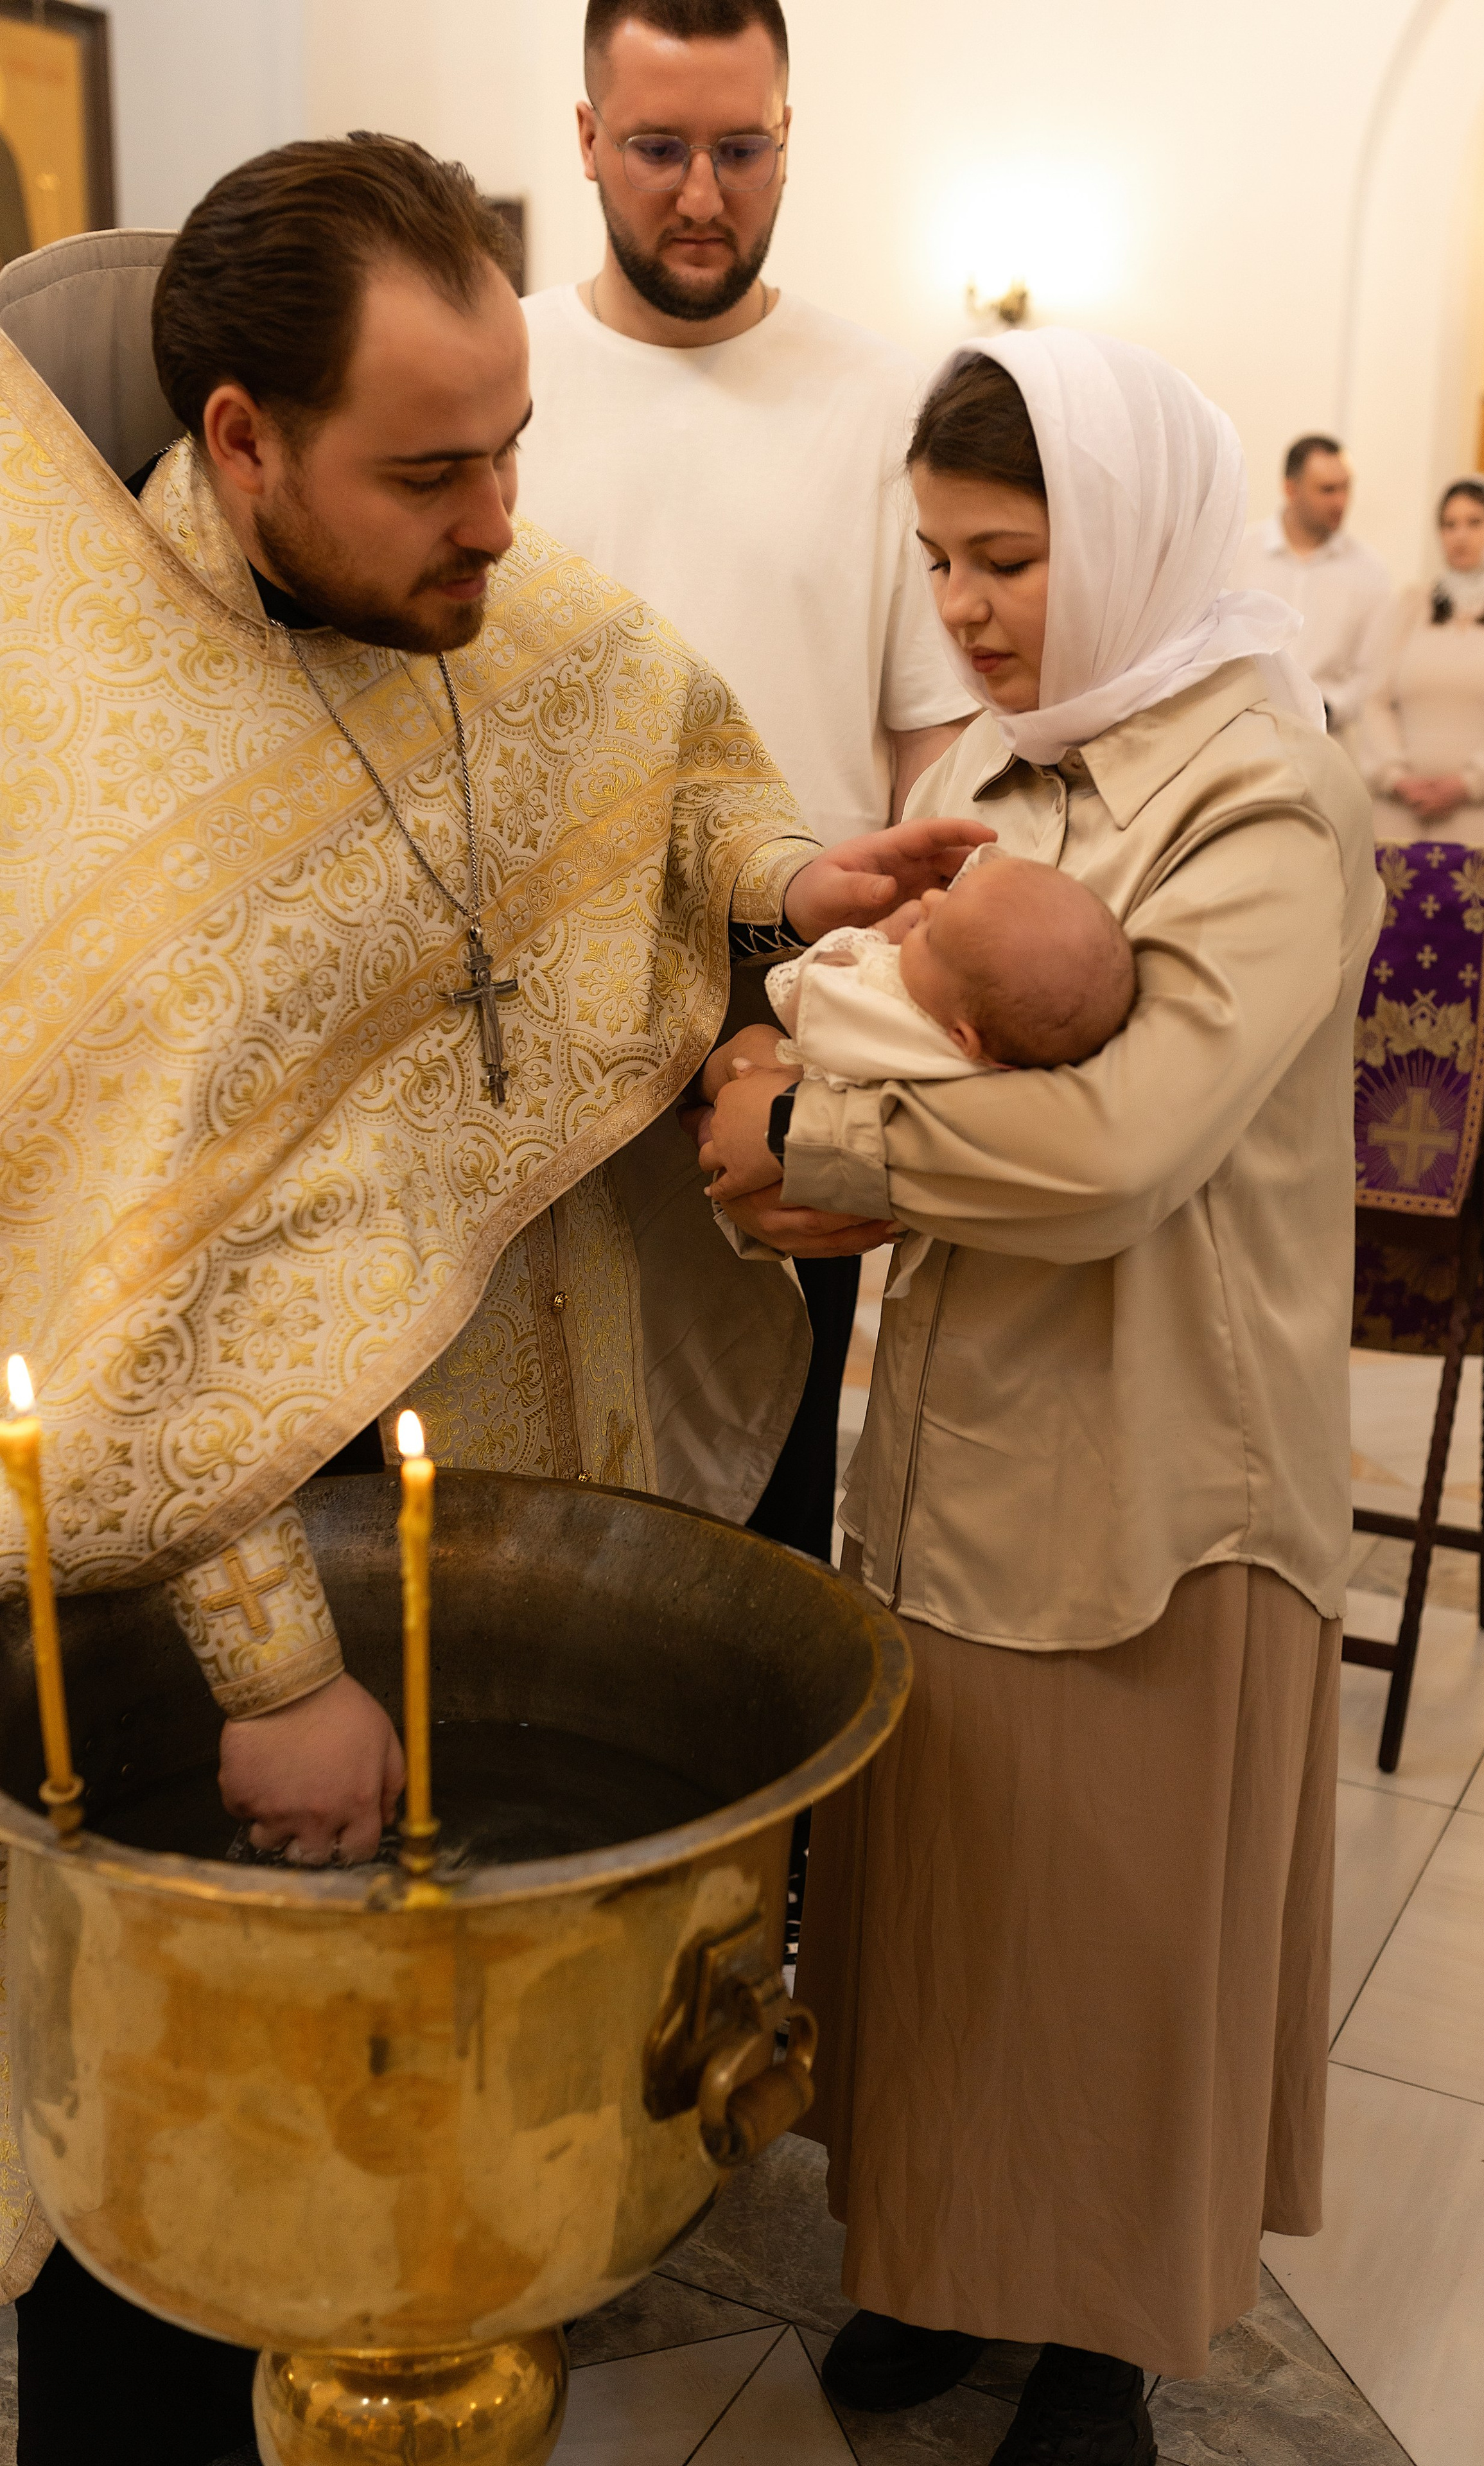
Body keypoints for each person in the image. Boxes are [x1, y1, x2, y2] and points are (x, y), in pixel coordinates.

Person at [0, 136, 982, 2464]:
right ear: (243, 442)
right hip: (205, 1583)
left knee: (457, 2117)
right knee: (197, 2156)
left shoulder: (496, 602)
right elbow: (72, 1285)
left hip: (502, 1471)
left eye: (515, 445)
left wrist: (783, 871)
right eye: (432, 468)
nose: (496, 514)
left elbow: (660, 763)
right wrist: (271, 1663)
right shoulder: (69, 745)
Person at [699, 331, 1381, 2465]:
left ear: (1139, 534)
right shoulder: (992, 778)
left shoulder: (1268, 798)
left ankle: (1090, 2342)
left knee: (1107, 1936)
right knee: (946, 1907)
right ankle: (932, 2256)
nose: (973, 610)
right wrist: (767, 1087)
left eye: (1010, 558)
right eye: (942, 563)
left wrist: (813, 1147)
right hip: (963, 1441)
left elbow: (1114, 1156)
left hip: (1164, 1463)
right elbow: (864, 1015)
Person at [514, 0, 973, 1583]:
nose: (700, 194)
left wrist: (854, 1018)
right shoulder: (496, 371)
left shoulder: (889, 400)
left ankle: (757, 1835)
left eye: (739, 147)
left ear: (790, 138)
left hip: (794, 997)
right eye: (656, 148)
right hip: (524, 1005)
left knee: (763, 1486)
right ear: (585, 138)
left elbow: (933, 758)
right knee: (530, 1492)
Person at [710, 850, 1136, 1294]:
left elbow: (807, 995)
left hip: (792, 1144)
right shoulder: (1004, 1046)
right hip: (851, 1178)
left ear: (962, 1037)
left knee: (735, 1067)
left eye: (931, 936)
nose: (928, 902)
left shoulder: (912, 1028)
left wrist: (877, 936)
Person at [1359, 472, 1484, 873]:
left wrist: (1470, 783)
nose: (1460, 536)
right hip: (1402, 810)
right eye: (1449, 524)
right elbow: (1376, 698)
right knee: (1397, 930)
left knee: (1480, 930)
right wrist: (1396, 776)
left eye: (1475, 522)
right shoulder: (1412, 603)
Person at [1228, 432, 1391, 738]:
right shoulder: (1239, 554)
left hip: (1325, 739)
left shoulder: (1370, 572)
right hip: (1243, 733)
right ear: (1291, 489)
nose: (1340, 502)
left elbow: (1373, 675)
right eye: (1327, 490)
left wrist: (1325, 708)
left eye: (1345, 489)